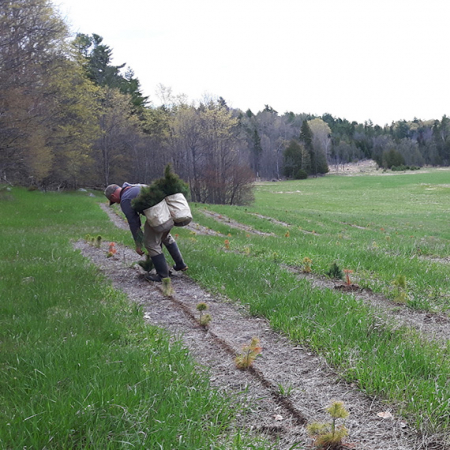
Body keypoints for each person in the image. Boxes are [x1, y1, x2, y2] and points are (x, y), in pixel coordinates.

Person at [104, 182, 188, 282]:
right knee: (164, 237)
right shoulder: (135, 187)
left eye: (114, 201)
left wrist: (138, 244)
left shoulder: (125, 199)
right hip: (169, 211)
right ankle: (180, 264)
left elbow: (134, 223)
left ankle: (163, 275)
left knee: (151, 244)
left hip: (159, 215)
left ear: (113, 196)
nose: (117, 203)